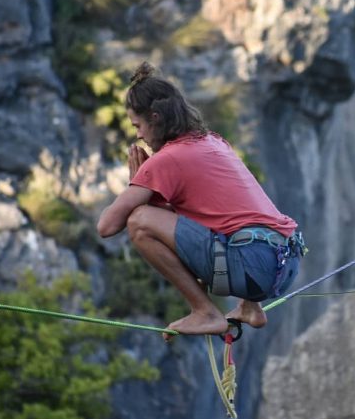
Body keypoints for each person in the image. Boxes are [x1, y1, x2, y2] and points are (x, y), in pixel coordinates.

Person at [97, 62, 304, 338]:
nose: (138, 135)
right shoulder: (212, 142)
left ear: (155, 117)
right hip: (285, 262)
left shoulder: (166, 159)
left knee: (139, 222)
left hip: (254, 265)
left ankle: (204, 312)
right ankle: (251, 309)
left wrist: (137, 186)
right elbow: (204, 218)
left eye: (138, 125)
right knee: (233, 220)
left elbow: (107, 226)